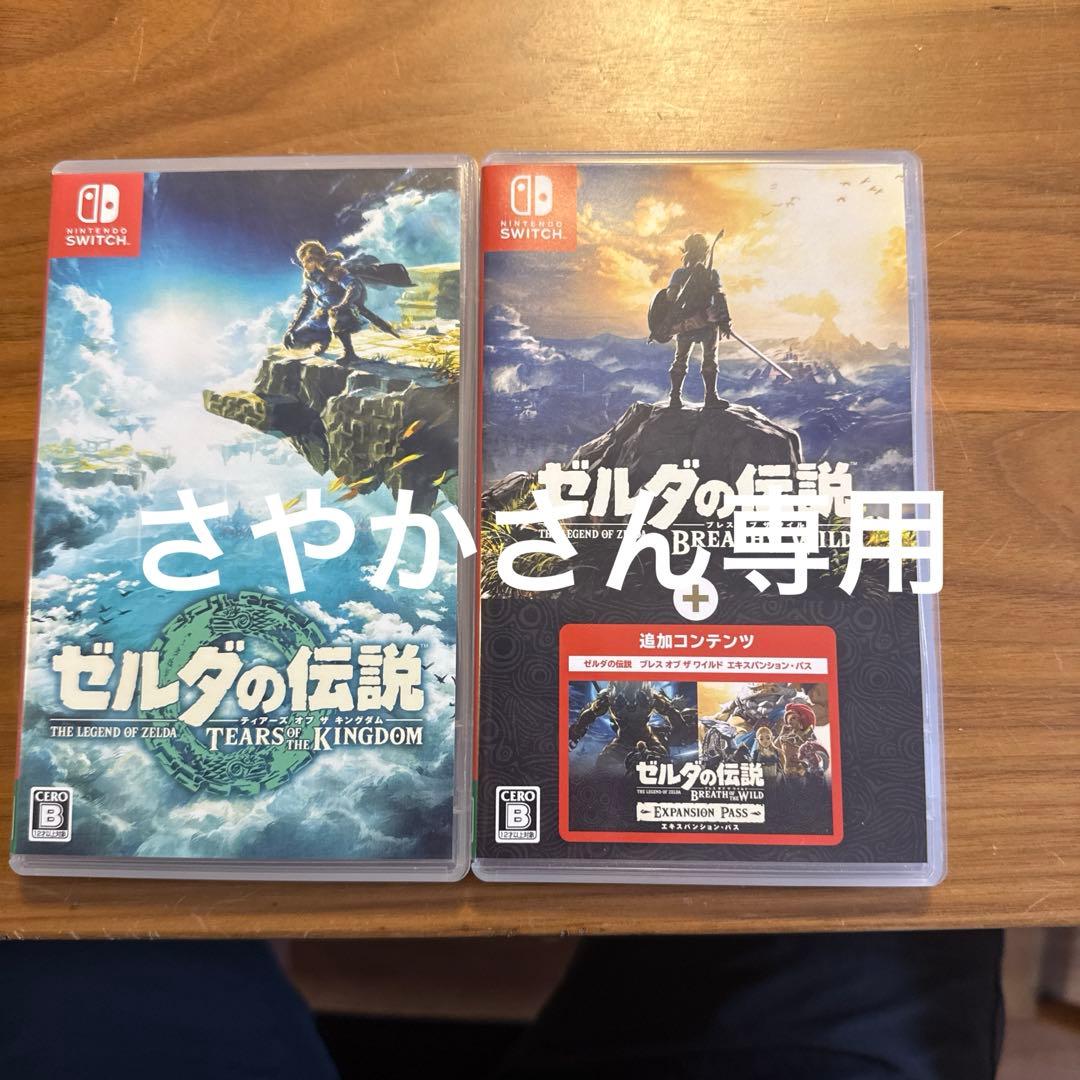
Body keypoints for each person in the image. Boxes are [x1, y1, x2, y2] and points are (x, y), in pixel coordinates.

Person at [664, 232, 732, 410]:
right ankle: (710, 397)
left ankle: (675, 398)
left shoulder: (680, 273)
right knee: (708, 359)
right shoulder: (710, 273)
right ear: (704, 252)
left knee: (681, 359)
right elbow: (719, 297)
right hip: (706, 323)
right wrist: (724, 321)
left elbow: (670, 297)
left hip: (688, 323)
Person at [283, 240, 368, 362]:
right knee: (294, 341)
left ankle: (349, 352)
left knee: (337, 317)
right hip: (323, 315)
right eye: (303, 261)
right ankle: (323, 338)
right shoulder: (309, 277)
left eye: (309, 260)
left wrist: (343, 305)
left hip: (344, 312)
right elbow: (306, 304)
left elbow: (353, 285)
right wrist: (291, 328)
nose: (305, 265)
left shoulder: (333, 269)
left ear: (318, 258)